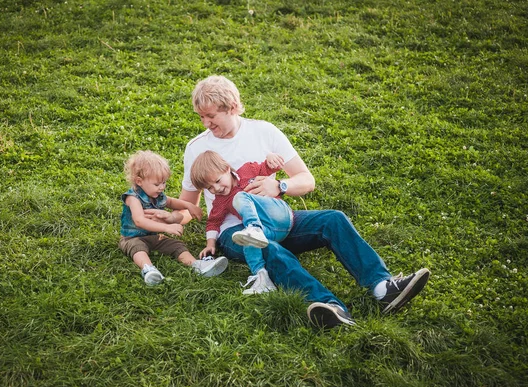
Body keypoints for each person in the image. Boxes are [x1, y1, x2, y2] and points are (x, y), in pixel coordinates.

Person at [163, 75, 430, 329]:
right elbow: (191, 205)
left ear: (232, 107)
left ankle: (383, 288)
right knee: (268, 248)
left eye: (211, 116)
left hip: (278, 220)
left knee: (333, 219)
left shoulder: (264, 132)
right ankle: (329, 306)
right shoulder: (196, 148)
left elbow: (306, 179)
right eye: (201, 117)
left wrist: (279, 186)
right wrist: (172, 219)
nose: (206, 123)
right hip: (235, 232)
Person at [190, 150, 293, 295]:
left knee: (239, 198)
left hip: (279, 214)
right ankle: (262, 279)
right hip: (270, 231)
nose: (217, 188)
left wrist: (271, 158)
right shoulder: (220, 201)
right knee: (248, 240)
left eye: (218, 181)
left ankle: (254, 227)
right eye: (210, 188)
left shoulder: (247, 170)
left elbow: (270, 168)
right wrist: (210, 244)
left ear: (226, 169)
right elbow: (213, 222)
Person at [119, 150, 228, 285]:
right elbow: (139, 220)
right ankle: (148, 269)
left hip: (153, 237)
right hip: (132, 238)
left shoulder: (157, 194)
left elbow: (170, 202)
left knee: (176, 245)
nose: (161, 188)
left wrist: (189, 205)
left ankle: (197, 265)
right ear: (139, 181)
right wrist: (166, 227)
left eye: (164, 183)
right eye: (157, 184)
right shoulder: (132, 198)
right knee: (138, 248)